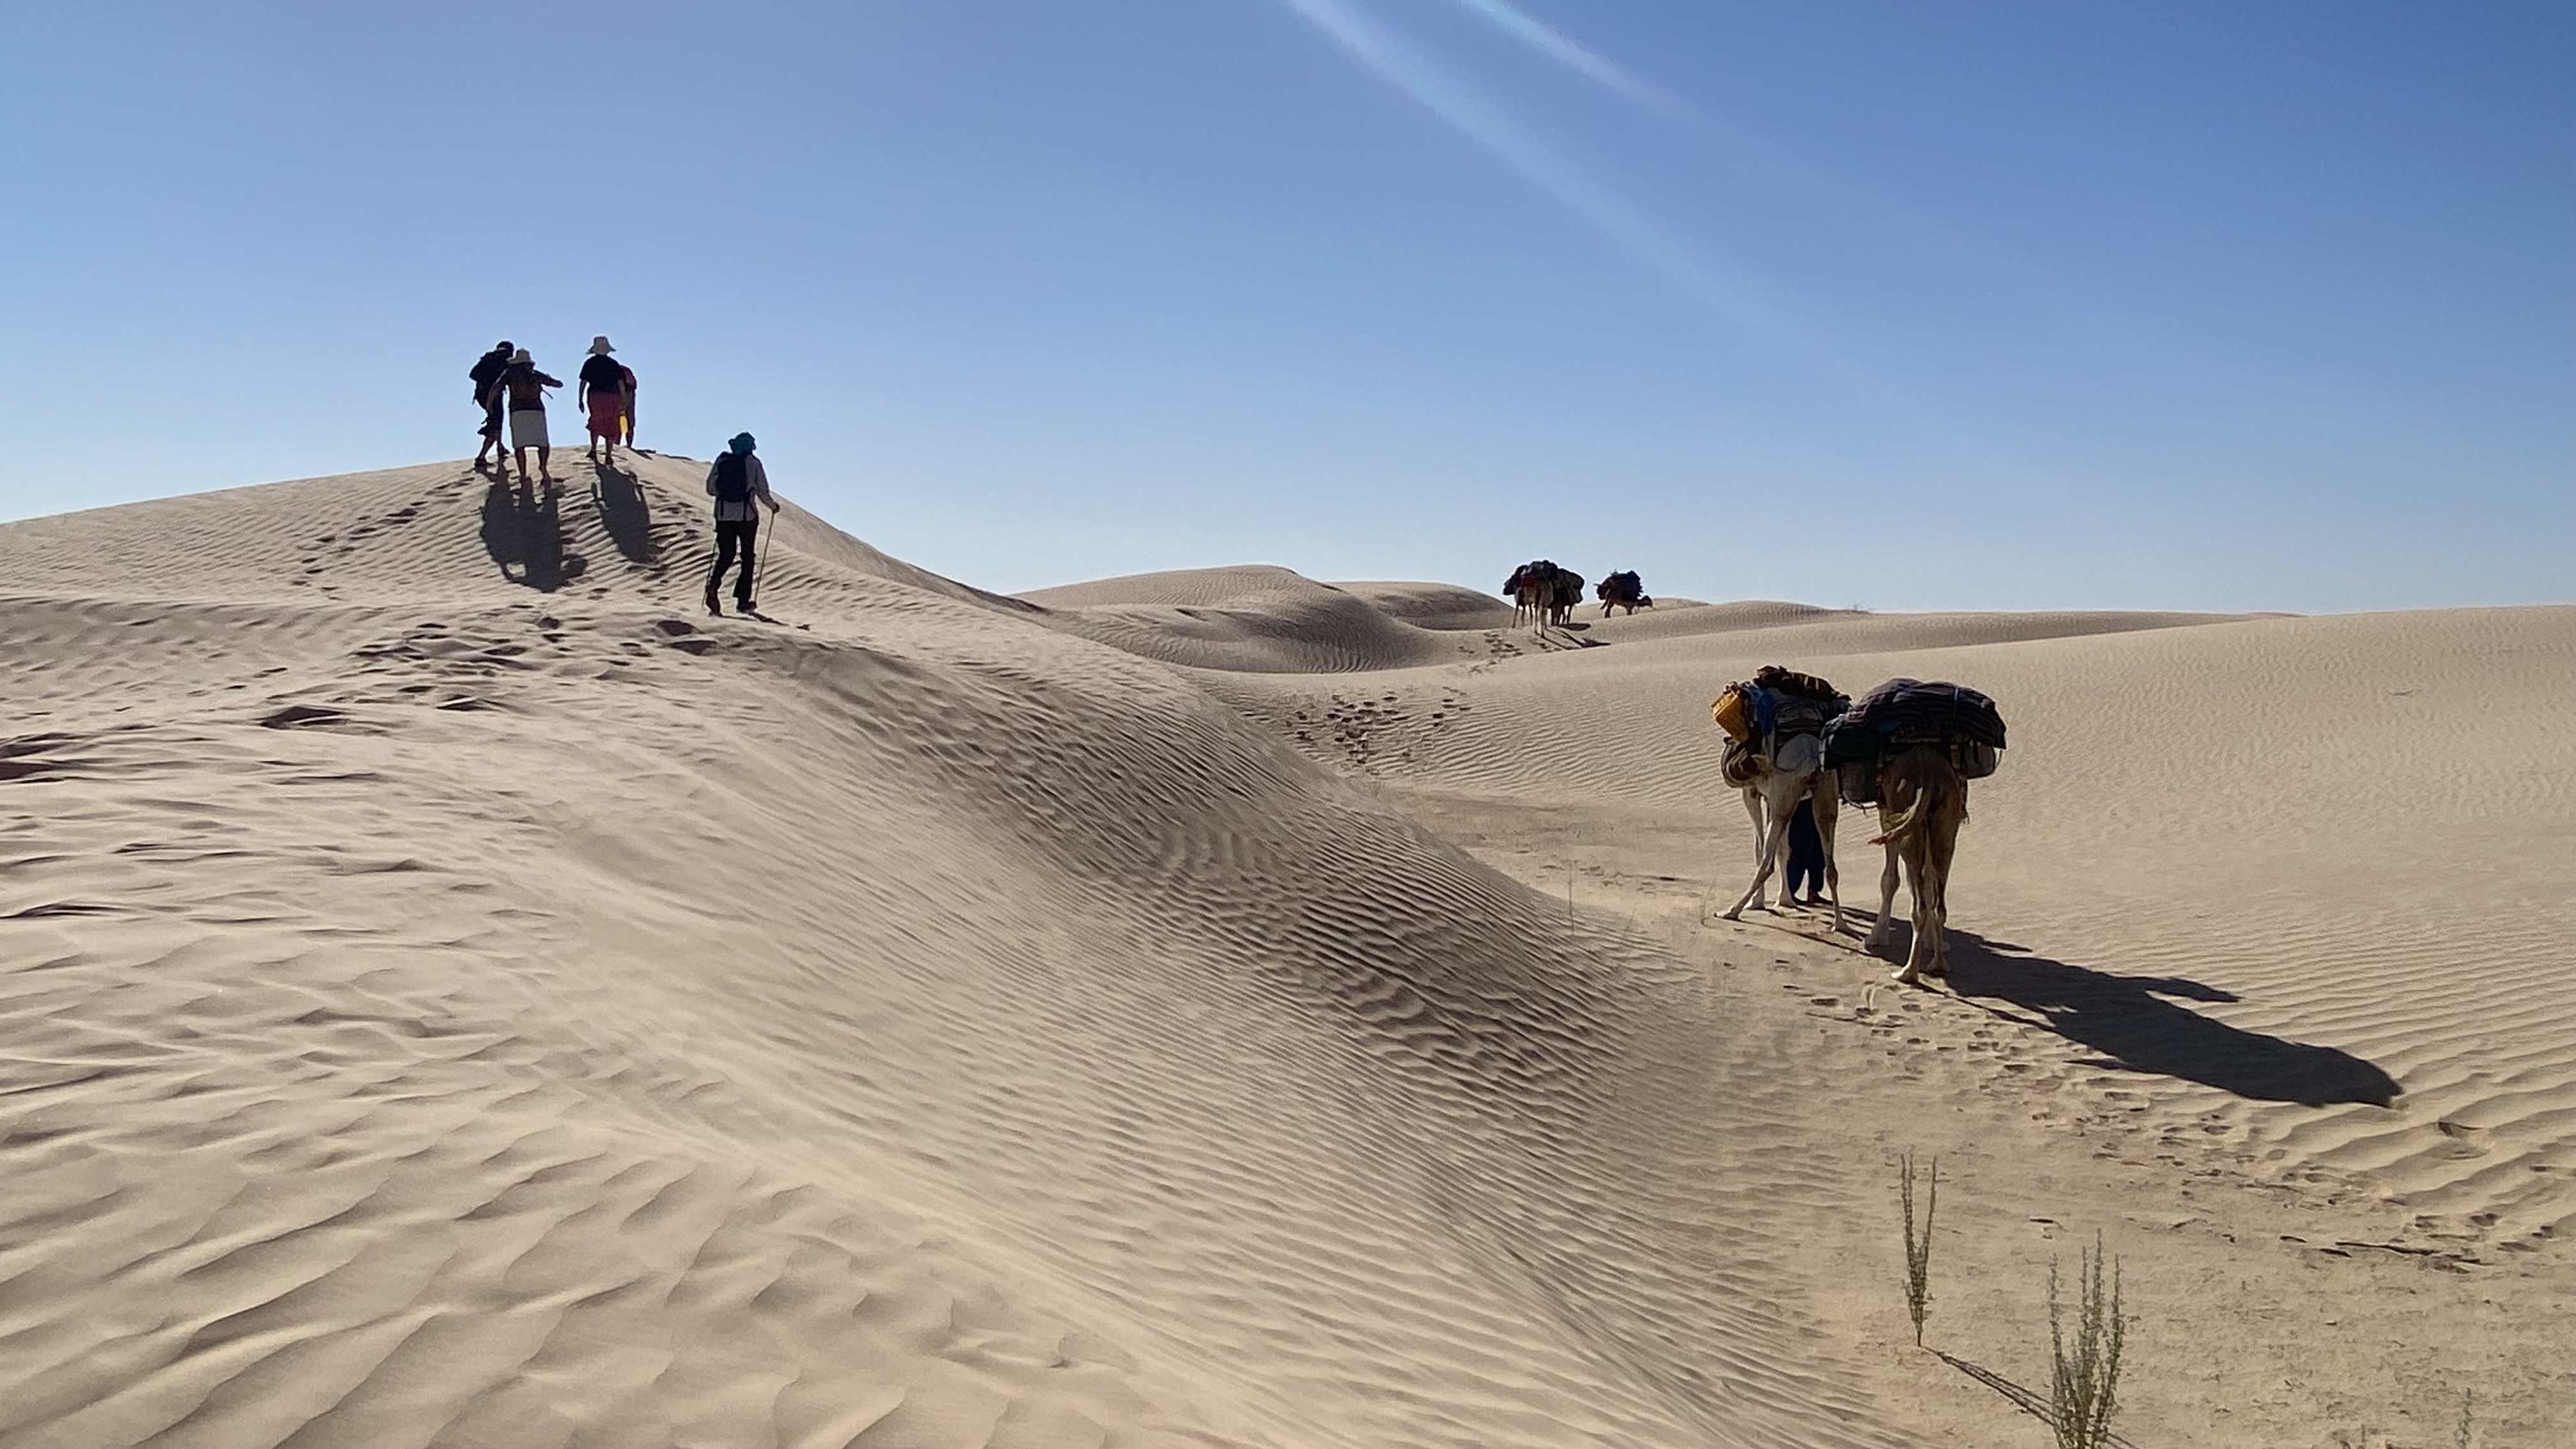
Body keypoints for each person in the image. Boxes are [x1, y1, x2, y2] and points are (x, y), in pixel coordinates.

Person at [703, 432, 778, 615]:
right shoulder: (753, 463)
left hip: (723, 516)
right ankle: (743, 601)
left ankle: (713, 586)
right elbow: (762, 491)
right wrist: (773, 506)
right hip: (747, 517)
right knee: (747, 557)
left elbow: (711, 489)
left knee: (726, 555)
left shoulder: (722, 460)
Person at [488, 348, 563, 486]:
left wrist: (489, 404)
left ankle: (523, 474)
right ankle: (544, 469)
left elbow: (496, 387)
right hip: (536, 410)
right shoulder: (534, 374)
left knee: (520, 445)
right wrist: (549, 379)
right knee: (542, 443)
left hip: (517, 411)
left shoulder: (509, 374)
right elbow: (557, 384)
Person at [578, 335, 632, 464]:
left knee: (595, 421)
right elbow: (620, 384)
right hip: (611, 396)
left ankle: (594, 450)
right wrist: (624, 399)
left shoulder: (590, 363)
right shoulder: (613, 364)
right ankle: (608, 455)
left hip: (595, 395)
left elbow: (583, 383)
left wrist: (580, 399)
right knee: (611, 423)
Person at [469, 340, 514, 472]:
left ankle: (500, 447)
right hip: (493, 395)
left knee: (497, 421)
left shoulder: (488, 358)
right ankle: (481, 457)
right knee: (495, 424)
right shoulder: (505, 359)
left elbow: (473, 375)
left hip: (481, 395)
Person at [1784, 797, 1828, 905]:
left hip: (1815, 799)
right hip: (1797, 800)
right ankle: (1789, 893)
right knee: (1801, 848)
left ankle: (1814, 891)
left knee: (1818, 848)